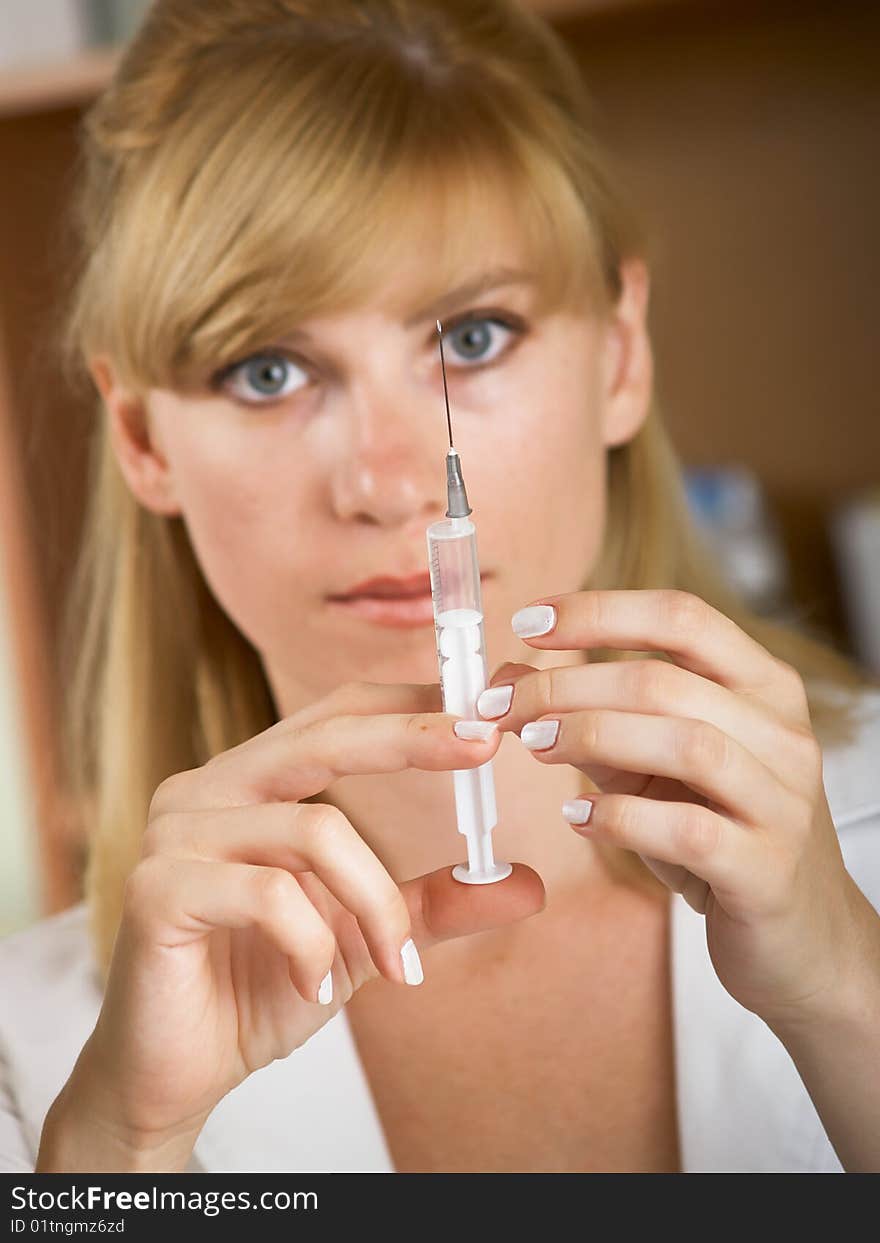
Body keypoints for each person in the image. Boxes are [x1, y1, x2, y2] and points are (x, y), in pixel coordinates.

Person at [1, 0, 879, 1175]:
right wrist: (124, 1146)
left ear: (619, 353)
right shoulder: (45, 1059)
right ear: (142, 440)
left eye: (471, 337)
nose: (388, 482)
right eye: (268, 369)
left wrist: (849, 996)